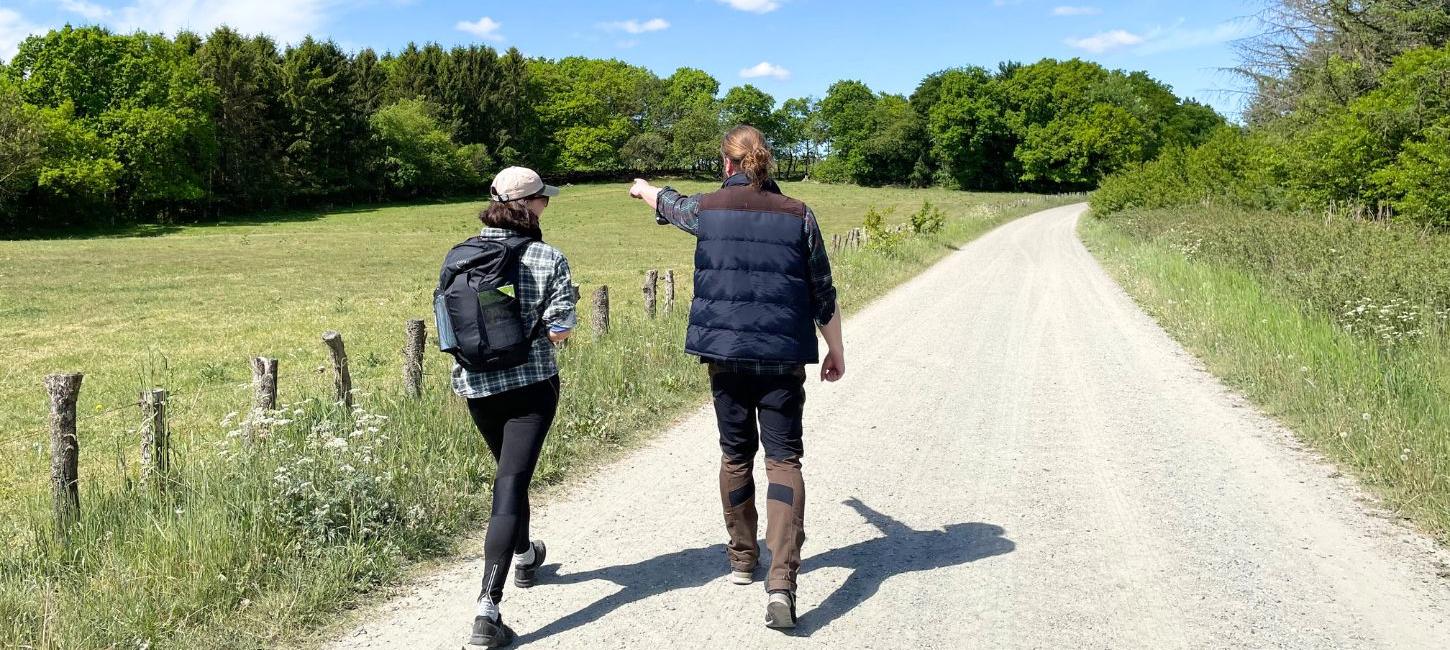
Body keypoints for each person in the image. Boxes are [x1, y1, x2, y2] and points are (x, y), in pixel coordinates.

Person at [628, 125, 846, 629]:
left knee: (734, 454)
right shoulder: (799, 214)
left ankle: (743, 559)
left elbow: (672, 203)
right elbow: (823, 292)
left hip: (725, 356)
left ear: (726, 165)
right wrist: (835, 349)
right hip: (782, 358)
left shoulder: (707, 209)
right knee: (784, 460)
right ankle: (782, 583)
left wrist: (644, 190)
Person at [455, 166, 577, 648]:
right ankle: (488, 610)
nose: (547, 204)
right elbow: (561, 329)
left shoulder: (462, 254)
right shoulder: (548, 257)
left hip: (478, 388)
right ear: (528, 205)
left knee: (511, 474)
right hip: (531, 386)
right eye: (544, 199)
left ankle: (525, 555)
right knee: (511, 482)